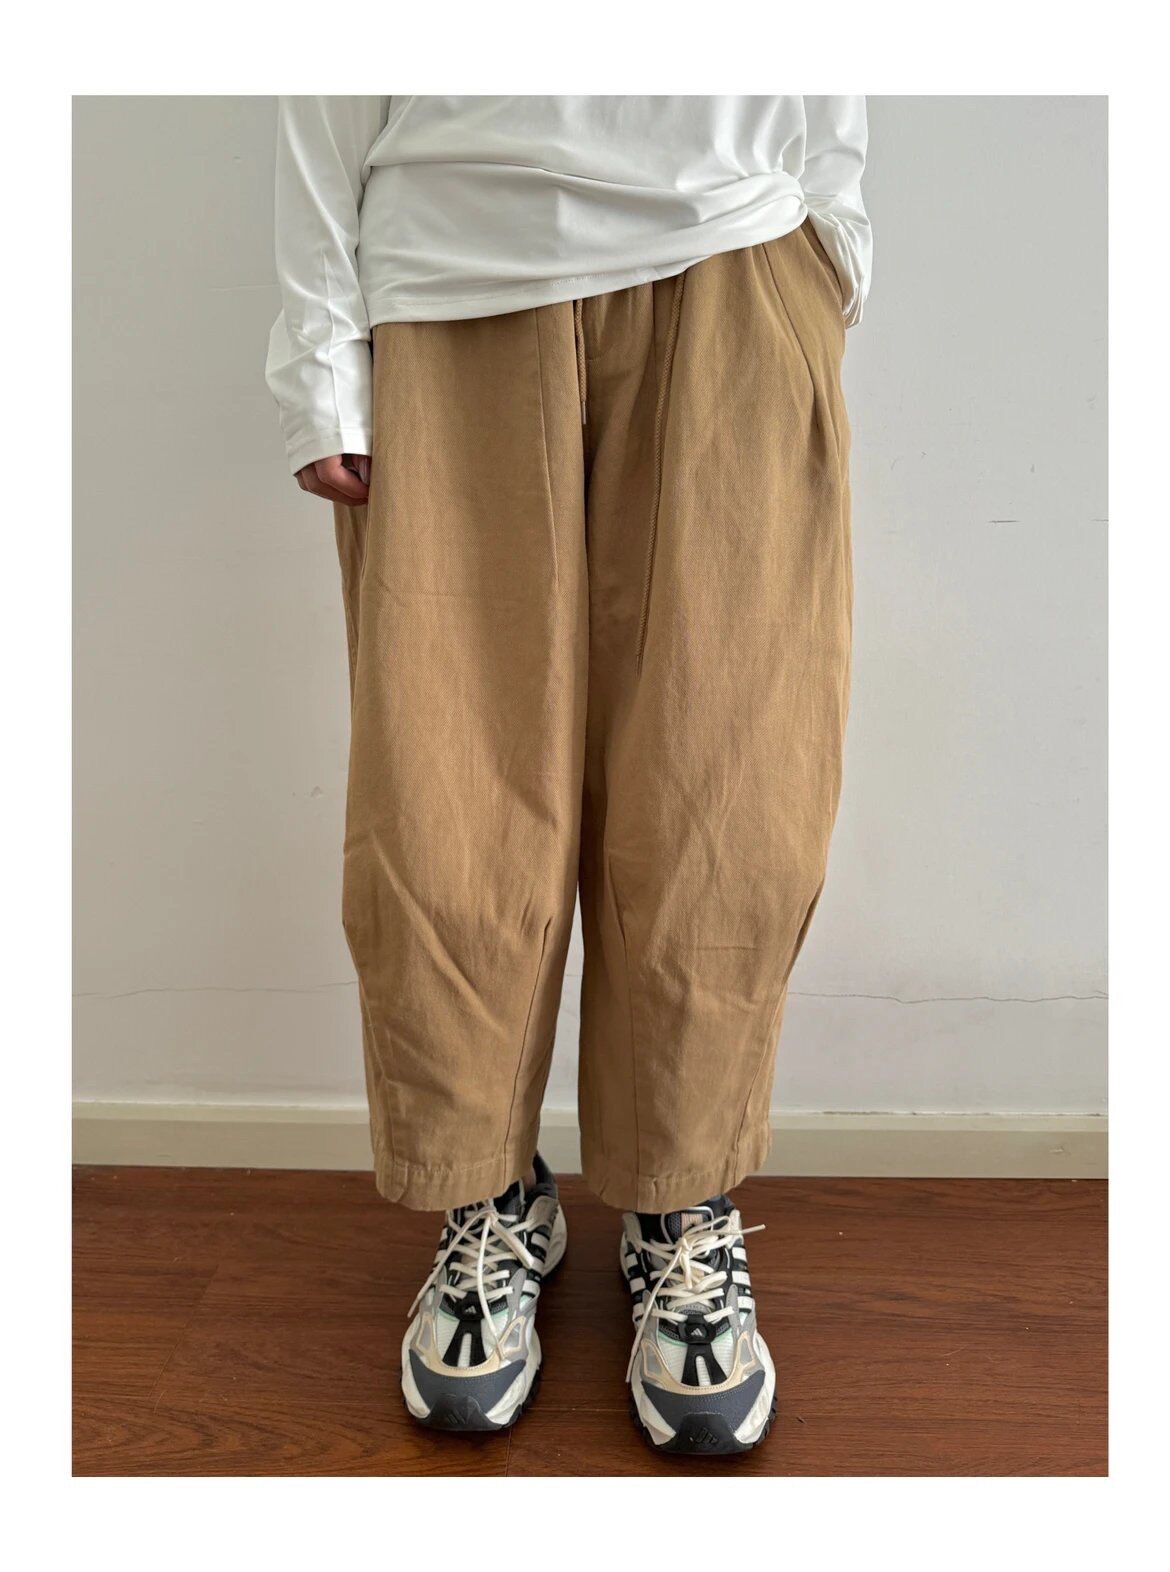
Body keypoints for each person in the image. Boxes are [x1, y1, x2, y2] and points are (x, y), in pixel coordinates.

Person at [266, 95, 871, 1456]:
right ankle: (488, 1198)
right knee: (447, 809)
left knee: (729, 800)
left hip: (731, 266)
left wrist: (826, 255)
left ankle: (679, 1196)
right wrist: (317, 351)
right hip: (448, 289)